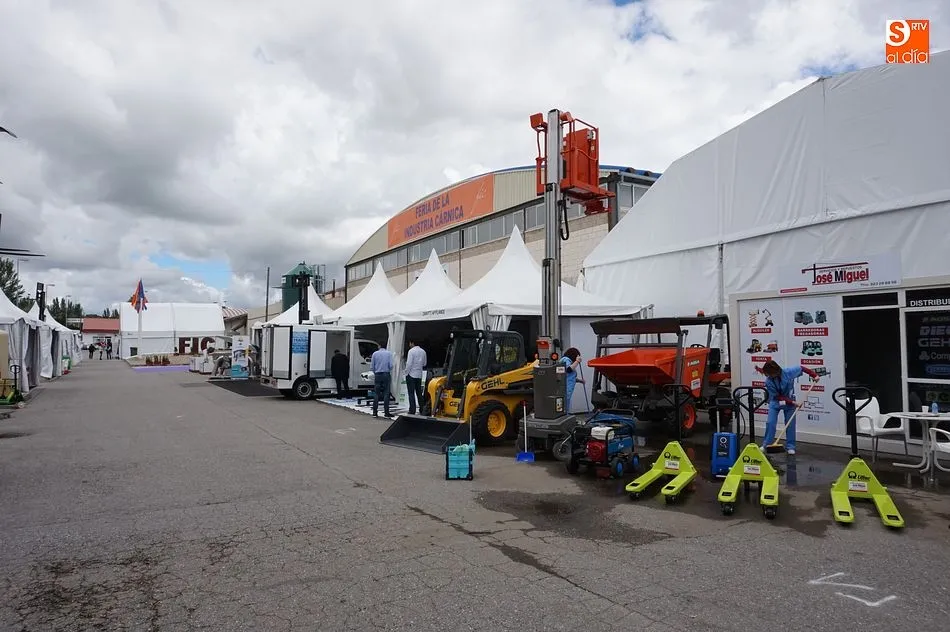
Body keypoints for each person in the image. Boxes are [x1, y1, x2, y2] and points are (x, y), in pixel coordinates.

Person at [758, 359, 820, 455]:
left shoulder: (788, 372)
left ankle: (790, 446)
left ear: (776, 371)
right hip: (776, 402)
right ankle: (766, 444)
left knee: (790, 425)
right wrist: (793, 402)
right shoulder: (769, 381)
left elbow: (802, 368)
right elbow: (777, 396)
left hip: (790, 403)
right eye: (767, 374)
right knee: (770, 423)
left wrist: (814, 375)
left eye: (770, 374)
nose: (768, 376)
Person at [404, 340, 427, 415]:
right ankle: (422, 408)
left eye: (410, 343)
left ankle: (412, 409)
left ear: (412, 343)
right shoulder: (423, 351)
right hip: (419, 374)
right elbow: (424, 363)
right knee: (419, 393)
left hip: (411, 374)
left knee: (411, 393)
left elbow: (409, 364)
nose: (409, 345)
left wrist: (406, 373)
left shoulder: (411, 351)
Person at [370, 345, 394, 418]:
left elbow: (372, 366)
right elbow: (391, 365)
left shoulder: (375, 354)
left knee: (376, 393)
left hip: (377, 374)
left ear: (379, 346)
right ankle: (386, 413)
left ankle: (374, 412)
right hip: (386, 374)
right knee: (386, 393)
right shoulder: (389, 353)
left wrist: (375, 372)